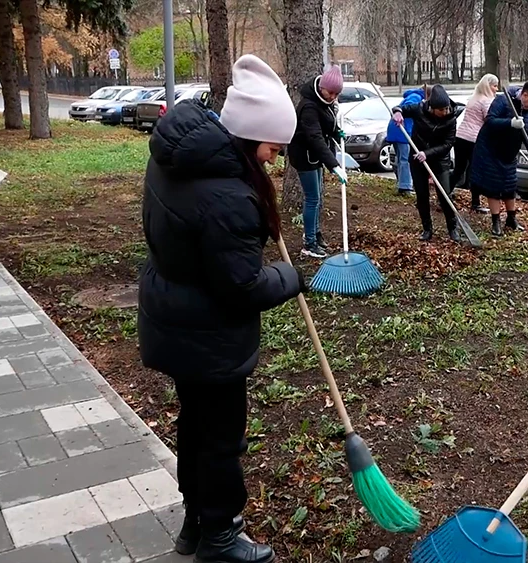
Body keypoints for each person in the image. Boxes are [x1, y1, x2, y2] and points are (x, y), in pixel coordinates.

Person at [138, 54, 304, 563]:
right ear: (251, 137)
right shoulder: (227, 196)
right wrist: (291, 277)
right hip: (208, 334)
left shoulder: (177, 159)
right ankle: (221, 537)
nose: (275, 159)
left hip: (174, 318)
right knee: (220, 440)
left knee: (195, 426)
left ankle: (195, 522)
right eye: (274, 148)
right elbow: (243, 287)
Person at [469, 79, 528, 236]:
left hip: (509, 153)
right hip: (490, 151)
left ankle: (511, 219)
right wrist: (510, 123)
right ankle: (496, 222)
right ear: (525, 95)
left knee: (509, 186)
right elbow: (490, 120)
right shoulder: (503, 100)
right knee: (494, 188)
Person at [288, 65, 348, 259]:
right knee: (312, 198)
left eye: (336, 94)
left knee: (318, 197)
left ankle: (315, 233)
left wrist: (336, 130)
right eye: (330, 92)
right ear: (322, 87)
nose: (332, 97)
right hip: (304, 156)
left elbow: (326, 123)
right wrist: (334, 165)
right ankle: (309, 244)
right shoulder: (309, 106)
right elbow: (314, 137)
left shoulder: (324, 102)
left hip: (315, 156)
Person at [391, 84, 461, 242]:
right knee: (422, 195)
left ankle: (453, 227)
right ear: (432, 107)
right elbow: (399, 108)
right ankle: (427, 229)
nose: (445, 112)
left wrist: (427, 154)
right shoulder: (419, 109)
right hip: (417, 159)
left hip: (440, 159)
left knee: (444, 195)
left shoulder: (451, 117)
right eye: (441, 110)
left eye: (447, 108)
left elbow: (448, 144)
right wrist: (397, 113)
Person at [451, 73, 498, 213]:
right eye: (494, 86)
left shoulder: (472, 99)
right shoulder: (486, 101)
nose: (496, 89)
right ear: (488, 86)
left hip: (460, 136)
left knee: (459, 168)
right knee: (475, 171)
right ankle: (475, 203)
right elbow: (489, 120)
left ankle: (445, 193)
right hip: (474, 139)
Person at [386, 84, 429, 196]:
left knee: (401, 159)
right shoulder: (416, 97)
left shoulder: (413, 96)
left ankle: (402, 183)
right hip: (402, 131)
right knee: (405, 159)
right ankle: (405, 187)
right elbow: (408, 109)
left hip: (398, 130)